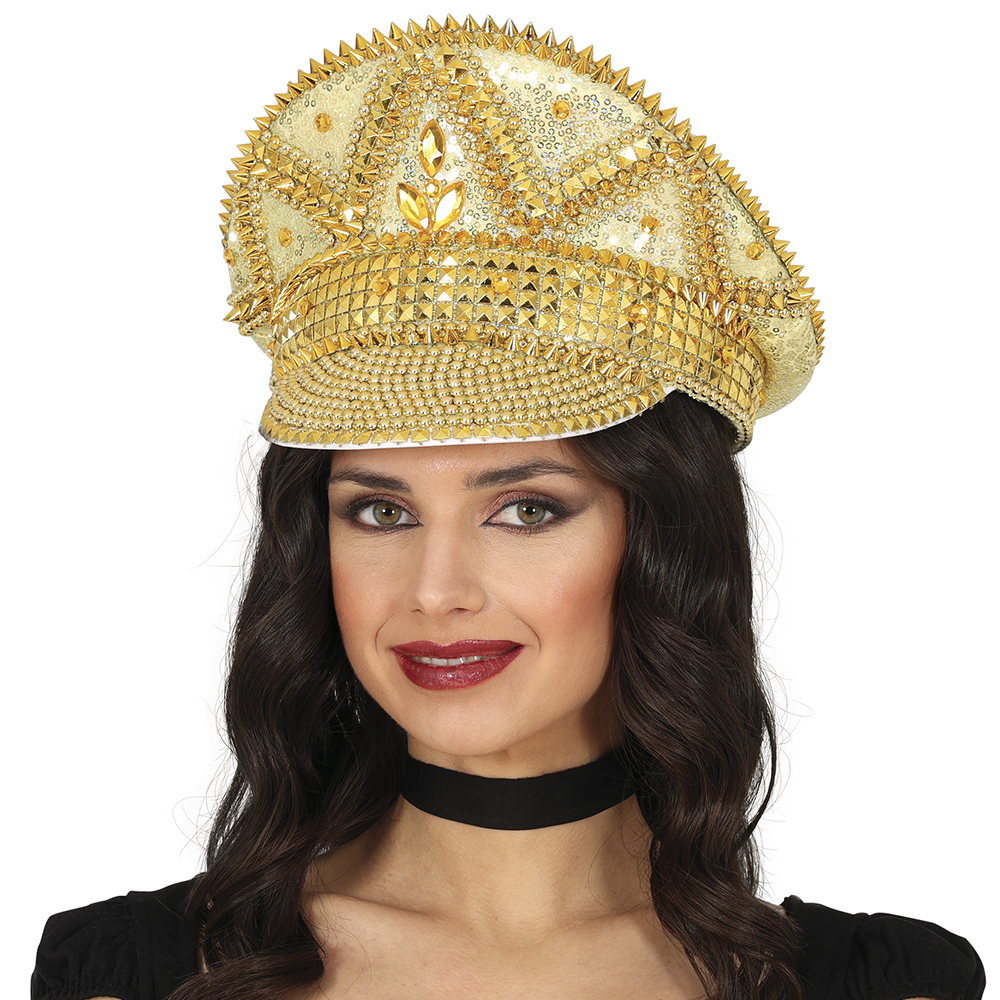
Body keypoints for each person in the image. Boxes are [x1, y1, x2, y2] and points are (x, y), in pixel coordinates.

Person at [30, 16, 985, 1000]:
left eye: (526, 510)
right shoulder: (130, 974)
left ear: (661, 540)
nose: (435, 591)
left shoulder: (885, 985)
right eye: (381, 513)